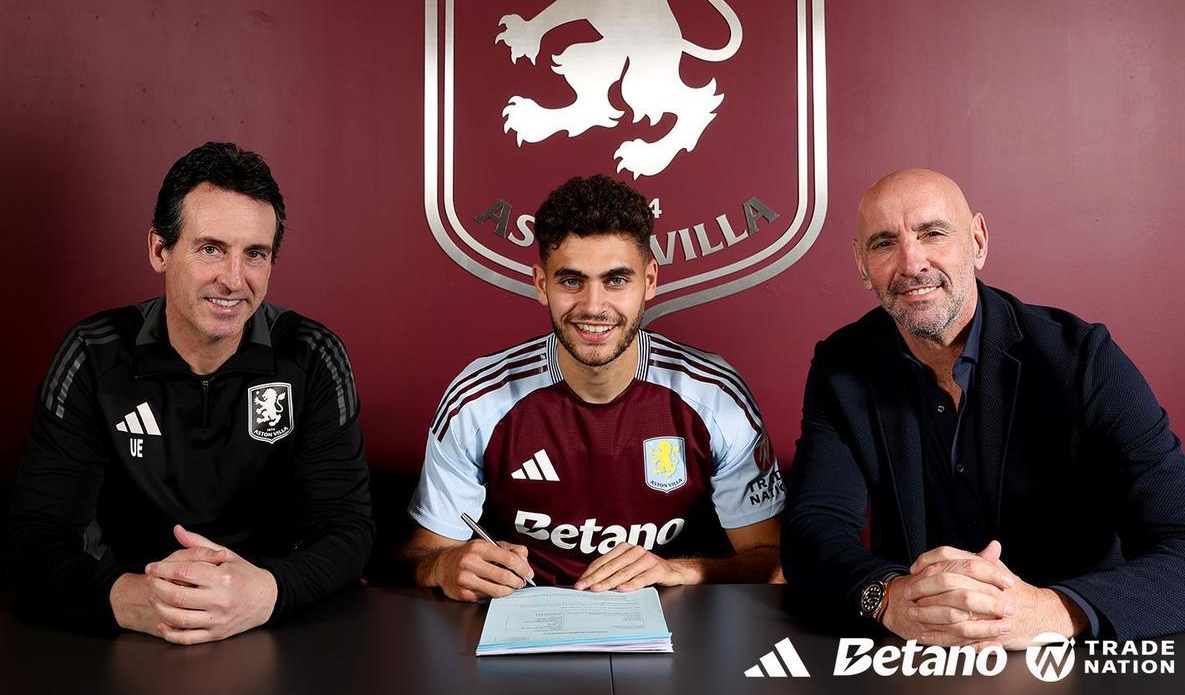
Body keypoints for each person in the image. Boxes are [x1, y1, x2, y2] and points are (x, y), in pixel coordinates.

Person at [782, 167, 1185, 645]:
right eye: (883, 243)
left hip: (1077, 658)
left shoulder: (1083, 360)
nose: (911, 262)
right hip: (921, 654)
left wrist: (1051, 612)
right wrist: (890, 598)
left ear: (977, 241)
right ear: (861, 265)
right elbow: (812, 532)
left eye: (933, 233)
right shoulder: (842, 366)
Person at [6, 142, 373, 644]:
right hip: (123, 631)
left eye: (255, 254)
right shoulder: (94, 353)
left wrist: (265, 592)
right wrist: (139, 600)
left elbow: (349, 531)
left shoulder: (310, 354)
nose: (233, 279)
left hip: (270, 625)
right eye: (210, 248)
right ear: (160, 250)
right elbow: (33, 540)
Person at [402, 174, 784, 600]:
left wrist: (683, 570)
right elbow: (421, 556)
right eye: (571, 281)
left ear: (650, 281)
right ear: (541, 283)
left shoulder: (715, 395)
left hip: (673, 628)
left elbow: (772, 556)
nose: (594, 306)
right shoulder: (478, 398)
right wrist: (444, 565)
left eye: (616, 280)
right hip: (523, 628)